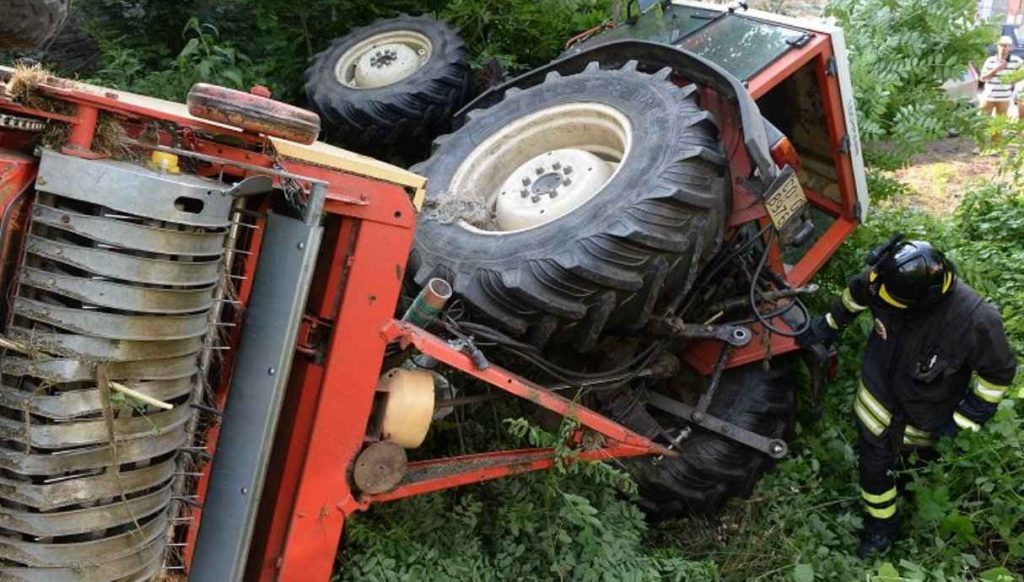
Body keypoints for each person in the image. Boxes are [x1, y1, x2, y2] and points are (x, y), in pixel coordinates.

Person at [797, 236, 1017, 559]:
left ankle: (906, 484)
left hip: (927, 416)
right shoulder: (885, 279)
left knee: (918, 467)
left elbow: (998, 374)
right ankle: (882, 527)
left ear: (924, 300)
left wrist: (967, 418)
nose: (880, 297)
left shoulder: (974, 320)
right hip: (878, 397)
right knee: (874, 468)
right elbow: (856, 294)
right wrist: (828, 325)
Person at [979, 36, 1022, 117]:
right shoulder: (990, 60)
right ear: (997, 46)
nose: (1003, 48)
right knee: (982, 122)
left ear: (1010, 47)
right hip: (988, 97)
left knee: (999, 124)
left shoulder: (1016, 61)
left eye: (1005, 46)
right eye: (1001, 45)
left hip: (1004, 98)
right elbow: (982, 78)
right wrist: (996, 69)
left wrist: (1014, 80)